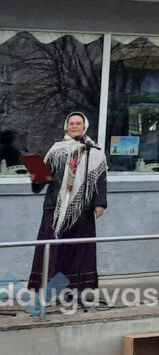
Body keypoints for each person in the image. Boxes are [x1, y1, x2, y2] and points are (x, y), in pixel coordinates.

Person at [28, 112, 107, 292]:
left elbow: (100, 180)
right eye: (71, 123)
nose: (74, 126)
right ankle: (50, 289)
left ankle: (75, 290)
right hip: (55, 207)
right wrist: (35, 178)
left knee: (77, 251)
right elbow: (44, 178)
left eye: (78, 123)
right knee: (53, 250)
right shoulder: (56, 149)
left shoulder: (94, 151)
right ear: (66, 126)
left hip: (82, 209)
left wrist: (99, 203)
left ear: (84, 126)